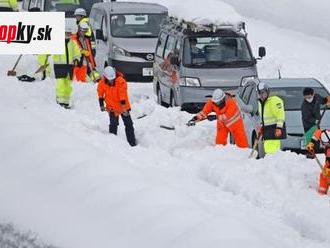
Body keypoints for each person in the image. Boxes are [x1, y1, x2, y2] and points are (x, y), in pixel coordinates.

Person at [97, 66, 137, 147]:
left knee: (128, 124)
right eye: (109, 79)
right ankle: (113, 143)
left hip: (123, 106)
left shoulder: (121, 82)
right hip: (111, 107)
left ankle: (132, 143)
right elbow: (100, 93)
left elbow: (122, 95)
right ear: (105, 77)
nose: (111, 81)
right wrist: (101, 104)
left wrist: (124, 108)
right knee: (113, 124)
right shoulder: (102, 83)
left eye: (112, 79)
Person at [52, 28, 81, 109]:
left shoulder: (73, 43)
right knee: (61, 83)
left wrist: (76, 59)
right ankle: (60, 100)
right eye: (66, 33)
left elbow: (77, 53)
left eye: (69, 33)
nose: (68, 34)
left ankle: (66, 100)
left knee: (68, 83)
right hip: (59, 66)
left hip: (69, 66)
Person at [258, 83, 286, 154]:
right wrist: (262, 126)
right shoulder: (260, 102)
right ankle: (272, 163)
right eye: (259, 93)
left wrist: (279, 128)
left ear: (267, 92)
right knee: (268, 150)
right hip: (267, 130)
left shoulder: (274, 101)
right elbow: (263, 117)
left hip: (275, 130)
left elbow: (280, 114)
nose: (261, 95)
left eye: (263, 92)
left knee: (271, 151)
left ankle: (272, 163)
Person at [306, 129, 330, 195]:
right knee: (324, 175)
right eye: (324, 144)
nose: (325, 145)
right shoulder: (324, 133)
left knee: (325, 174)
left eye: (327, 144)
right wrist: (311, 143)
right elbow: (317, 132)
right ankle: (322, 191)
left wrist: (328, 170)